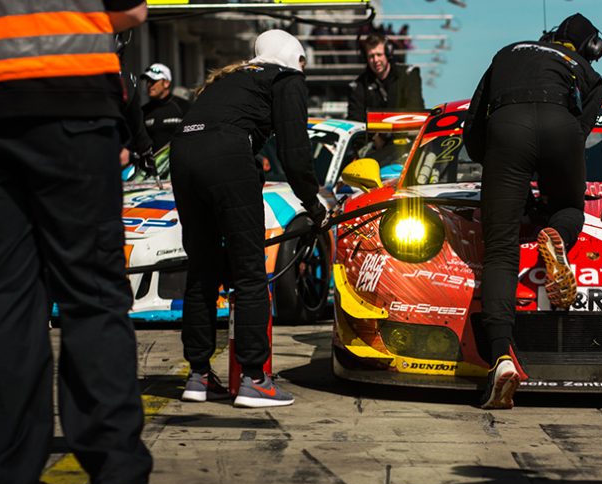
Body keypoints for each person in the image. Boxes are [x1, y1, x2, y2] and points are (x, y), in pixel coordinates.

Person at [0, 0, 164, 484]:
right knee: (91, 288)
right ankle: (117, 474)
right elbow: (133, 12)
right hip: (68, 96)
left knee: (0, 294)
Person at [171, 30, 326, 408]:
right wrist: (314, 203)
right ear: (291, 55)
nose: (302, 68)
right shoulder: (286, 78)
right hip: (224, 154)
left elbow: (226, 131)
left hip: (182, 152)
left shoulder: (229, 80)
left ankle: (198, 376)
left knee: (203, 269)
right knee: (250, 271)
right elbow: (294, 150)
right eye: (302, 60)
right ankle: (255, 380)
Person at [463, 13, 602, 409]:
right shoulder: (586, 73)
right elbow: (580, 134)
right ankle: (558, 233)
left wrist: (494, 160)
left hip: (507, 127)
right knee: (568, 207)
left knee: (501, 248)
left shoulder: (506, 53)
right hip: (562, 126)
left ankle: (502, 358)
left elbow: (473, 125)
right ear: (589, 49)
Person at [346, 32, 425, 122]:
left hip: (405, 133)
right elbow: (355, 120)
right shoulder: (358, 86)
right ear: (365, 58)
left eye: (379, 55)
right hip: (371, 135)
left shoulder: (409, 75)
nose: (376, 60)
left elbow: (416, 112)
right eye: (371, 56)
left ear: (388, 53)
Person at [140, 63, 191, 152]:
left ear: (166, 83)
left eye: (153, 81)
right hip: (153, 164)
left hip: (178, 162)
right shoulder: (143, 111)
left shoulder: (183, 106)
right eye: (147, 81)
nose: (149, 85)